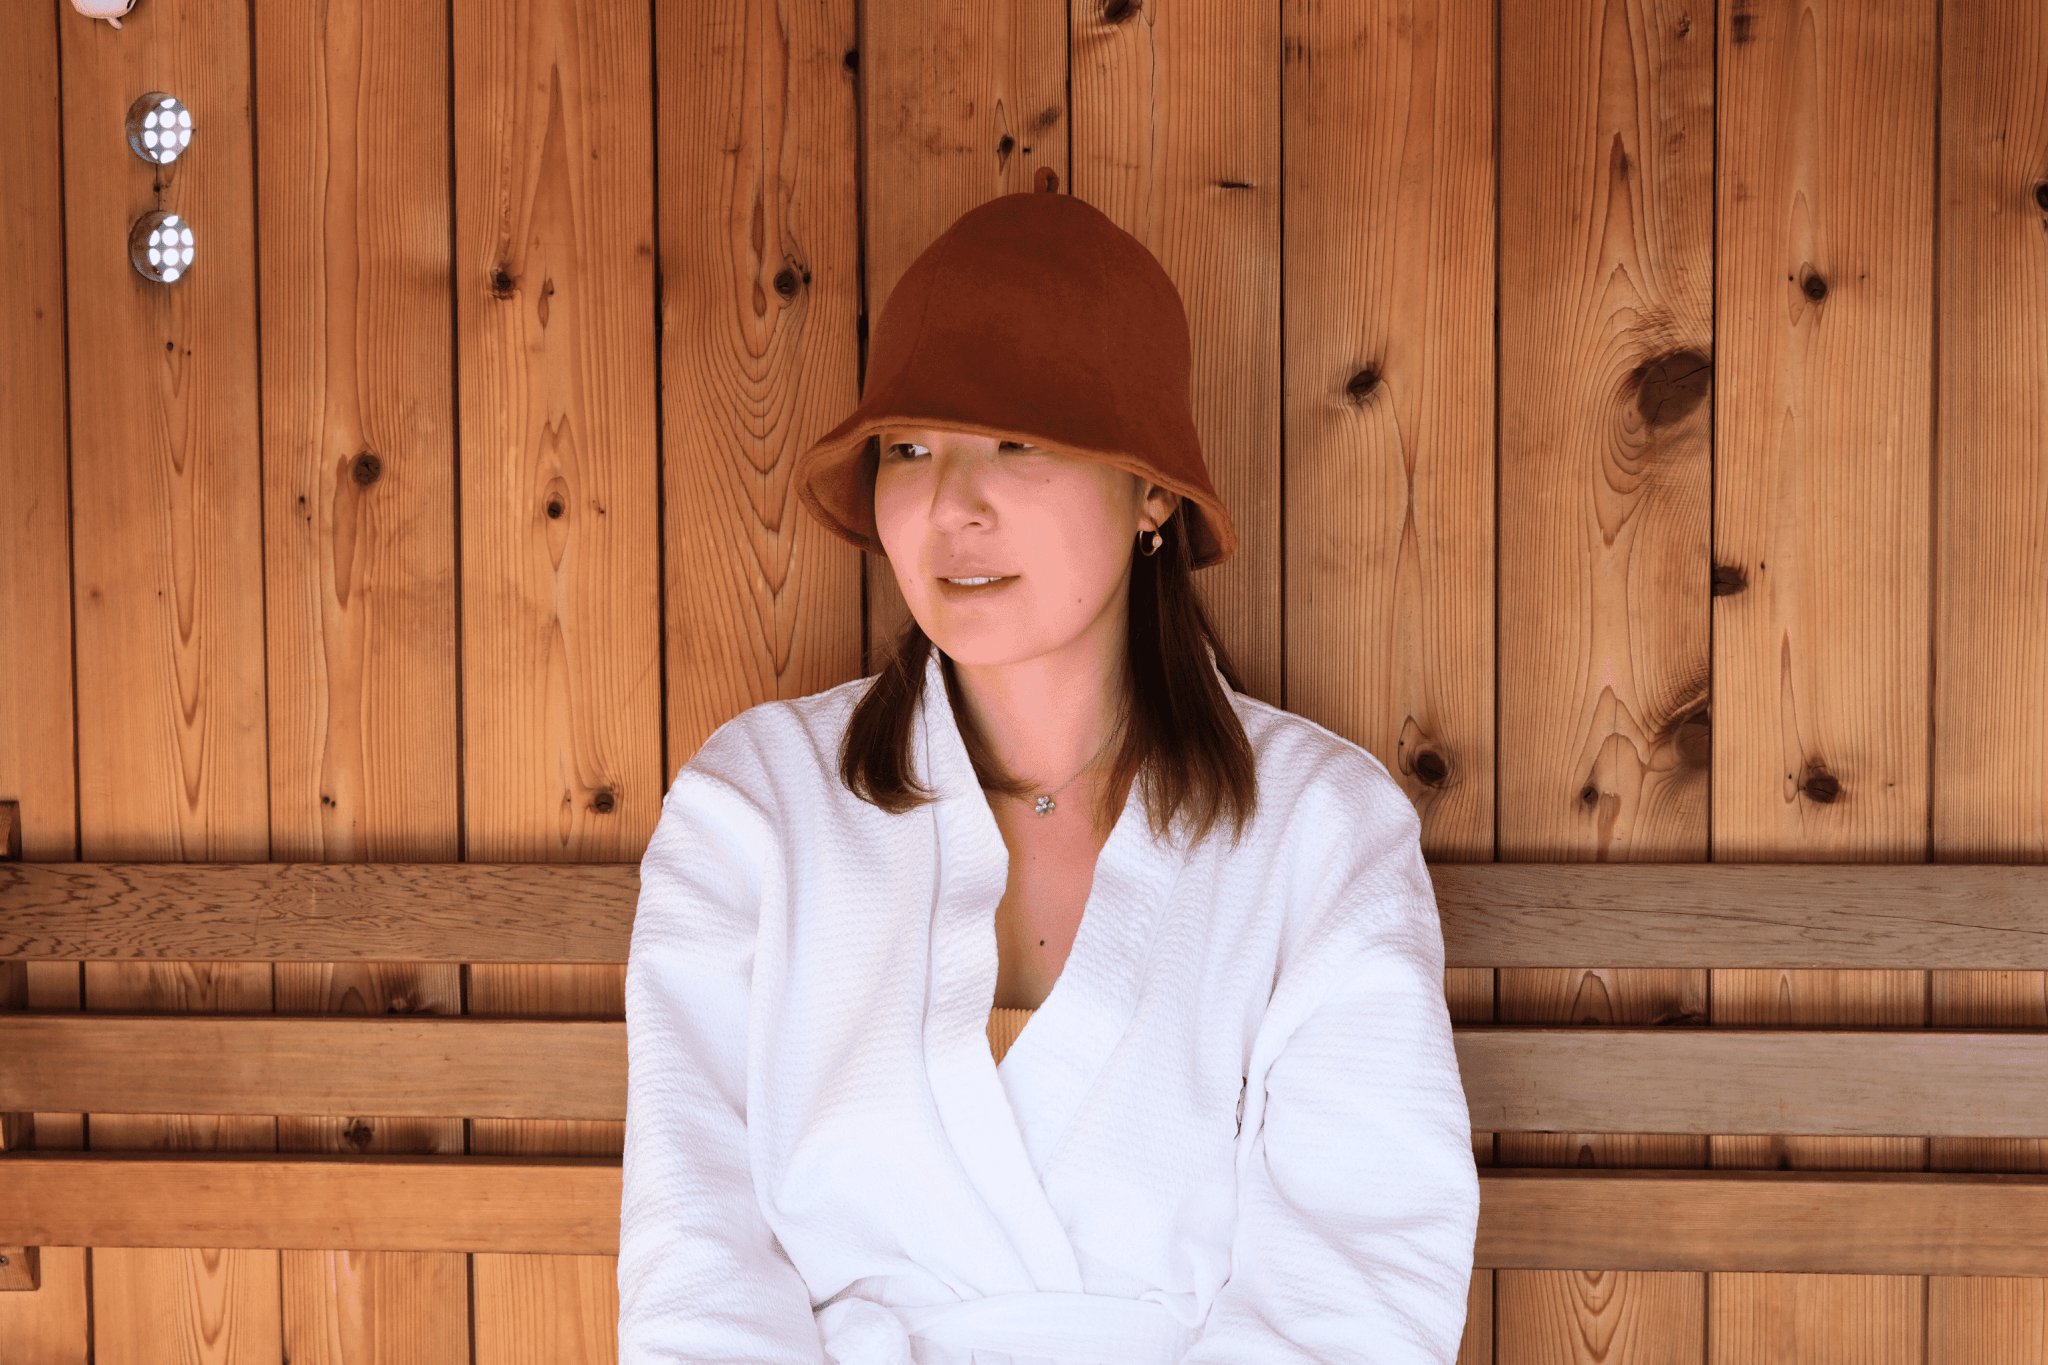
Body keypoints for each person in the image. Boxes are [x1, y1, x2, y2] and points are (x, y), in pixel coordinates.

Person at [618, 181, 1478, 1365]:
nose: (947, 505)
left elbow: (1360, 1275)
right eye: (909, 449)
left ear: (1153, 493)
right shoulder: (753, 807)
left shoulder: (1322, 832)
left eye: (1015, 443)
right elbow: (694, 1254)